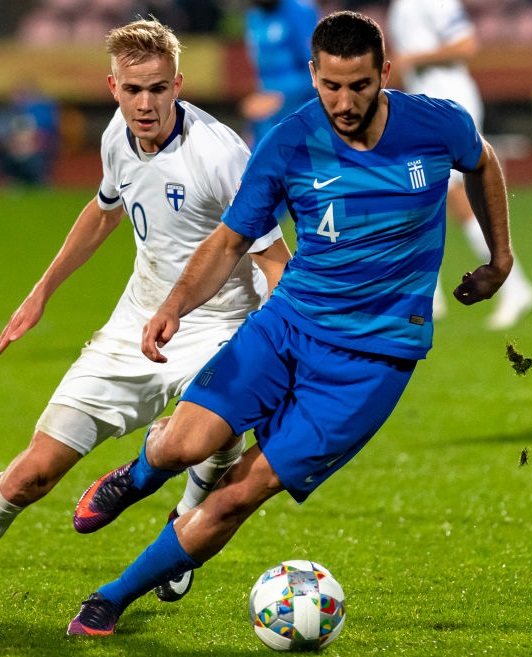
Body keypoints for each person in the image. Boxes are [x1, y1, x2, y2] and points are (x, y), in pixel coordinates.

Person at [67, 11, 514, 635]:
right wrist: (173, 306)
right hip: (286, 327)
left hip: (371, 364)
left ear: (384, 73)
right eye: (331, 86)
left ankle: (112, 598)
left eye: (359, 85)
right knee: (184, 445)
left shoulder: (437, 124)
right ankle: (138, 476)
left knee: (238, 494)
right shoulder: (289, 143)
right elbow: (230, 240)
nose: (344, 102)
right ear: (312, 75)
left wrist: (500, 259)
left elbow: (483, 161)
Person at [0, 18, 290, 601]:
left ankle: (183, 520)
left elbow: (275, 261)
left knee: (210, 436)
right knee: (32, 474)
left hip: (222, 324)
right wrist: (41, 292)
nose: (145, 104)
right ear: (114, 87)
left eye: (158, 89)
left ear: (178, 84)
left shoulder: (221, 155)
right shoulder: (117, 134)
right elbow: (104, 211)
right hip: (136, 322)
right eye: (132, 90)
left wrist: (280, 347)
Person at [386, 0, 532, 330]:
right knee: (419, 195)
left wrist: (413, 58)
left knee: (454, 197)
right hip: (426, 107)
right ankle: (430, 295)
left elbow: (465, 44)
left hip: (450, 105)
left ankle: (513, 286)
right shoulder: (400, 7)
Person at [241, 0, 320, 148]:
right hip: (266, 121)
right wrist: (251, 124)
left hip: (299, 116)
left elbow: (318, 72)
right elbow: (262, 73)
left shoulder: (301, 11)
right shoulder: (253, 16)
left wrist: (281, 97)